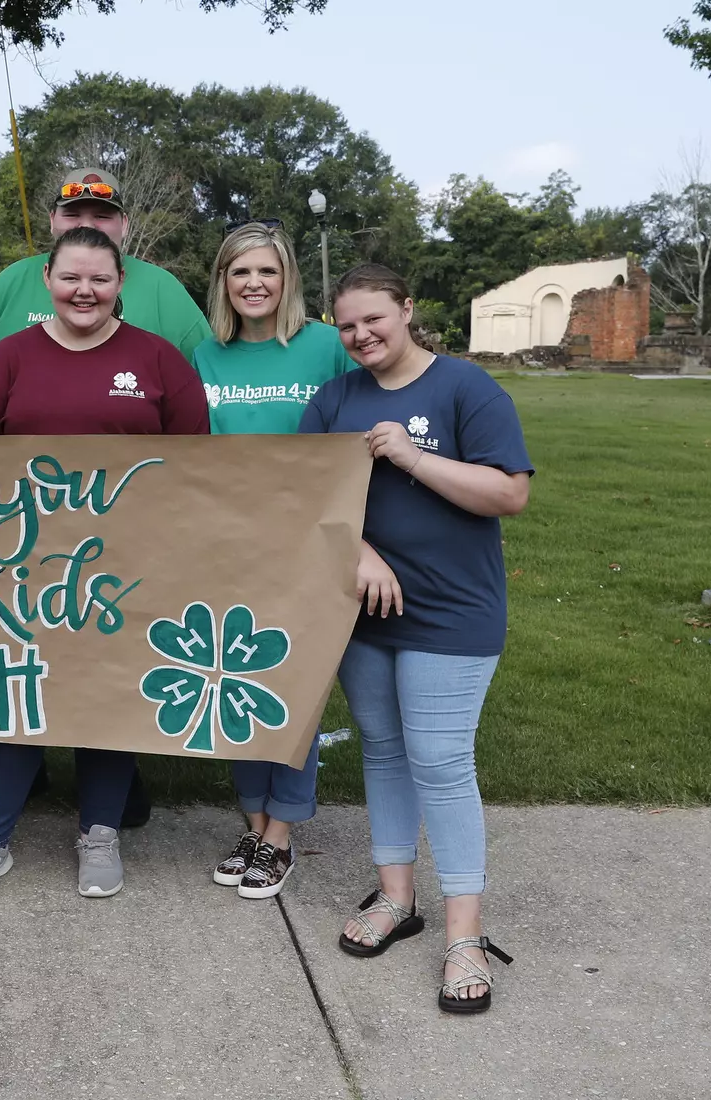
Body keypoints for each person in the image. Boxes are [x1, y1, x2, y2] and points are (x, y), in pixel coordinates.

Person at [0, 227, 209, 905]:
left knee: (106, 696)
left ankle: (100, 833)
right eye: (70, 278)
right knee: (14, 692)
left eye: (99, 279)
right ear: (48, 282)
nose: (84, 291)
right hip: (20, 568)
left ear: (121, 284)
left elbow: (198, 466)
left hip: (125, 567)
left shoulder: (157, 361)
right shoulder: (9, 359)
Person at [300, 263, 532, 1014]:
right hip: (363, 612)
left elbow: (510, 492)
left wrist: (413, 457)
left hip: (452, 613)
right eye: (347, 325)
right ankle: (396, 898)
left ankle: (466, 933)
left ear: (407, 311)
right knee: (384, 749)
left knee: (440, 760)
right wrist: (358, 550)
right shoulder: (335, 397)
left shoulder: (465, 388)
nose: (361, 335)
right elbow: (305, 493)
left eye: (376, 319)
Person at [192, 221, 355, 899]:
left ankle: (281, 835)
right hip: (226, 548)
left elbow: (355, 441)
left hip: (307, 547)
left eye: (267, 271)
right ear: (223, 283)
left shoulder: (323, 347)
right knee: (230, 684)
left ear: (287, 279)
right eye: (240, 272)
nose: (254, 284)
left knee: (293, 692)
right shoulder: (205, 354)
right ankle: (254, 824)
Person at [0, 168, 211, 361]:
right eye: (72, 214)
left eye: (102, 216)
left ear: (124, 224)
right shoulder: (11, 281)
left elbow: (207, 376)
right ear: (52, 220)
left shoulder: (164, 289)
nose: (86, 225)